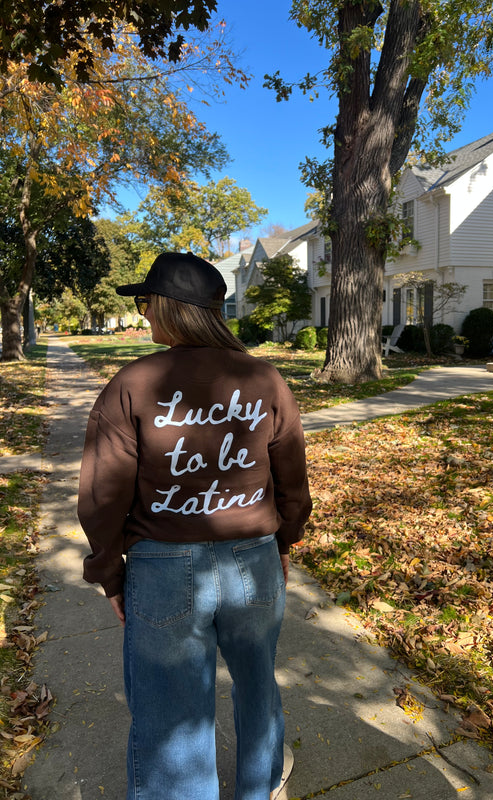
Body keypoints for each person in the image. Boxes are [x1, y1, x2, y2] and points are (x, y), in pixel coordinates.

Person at [77, 251, 312, 800]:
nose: (144, 315)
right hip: (252, 558)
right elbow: (291, 476)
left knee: (169, 707)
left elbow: (102, 496)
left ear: (171, 309)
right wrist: (285, 538)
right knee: (257, 683)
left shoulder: (133, 384)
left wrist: (110, 570)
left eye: (146, 303)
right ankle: (262, 782)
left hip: (164, 567)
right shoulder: (264, 378)